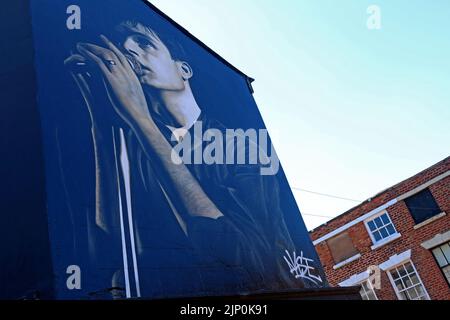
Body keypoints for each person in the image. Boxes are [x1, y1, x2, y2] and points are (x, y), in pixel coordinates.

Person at [65, 21, 321, 298]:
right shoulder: (140, 148)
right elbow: (108, 247)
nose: (131, 51)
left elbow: (241, 257)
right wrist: (101, 125)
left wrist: (141, 120)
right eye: (126, 49)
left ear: (183, 69)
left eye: (143, 42)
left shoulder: (239, 146)